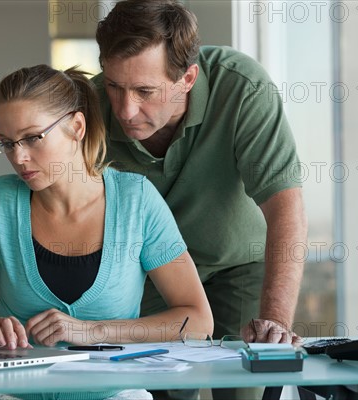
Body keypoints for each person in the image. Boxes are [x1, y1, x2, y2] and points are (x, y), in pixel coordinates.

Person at [0, 64, 213, 400]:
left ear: (77, 126)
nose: (19, 157)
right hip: (11, 395)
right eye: (7, 144)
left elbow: (198, 321)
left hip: (114, 394)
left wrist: (91, 331)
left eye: (32, 138)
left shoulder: (137, 201)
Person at [93, 1, 307, 398]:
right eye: (114, 86)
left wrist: (275, 320)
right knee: (157, 393)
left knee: (249, 388)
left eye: (144, 91)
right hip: (150, 274)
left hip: (237, 263)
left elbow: (285, 207)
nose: (124, 109)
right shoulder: (90, 110)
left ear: (188, 78)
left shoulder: (243, 87)